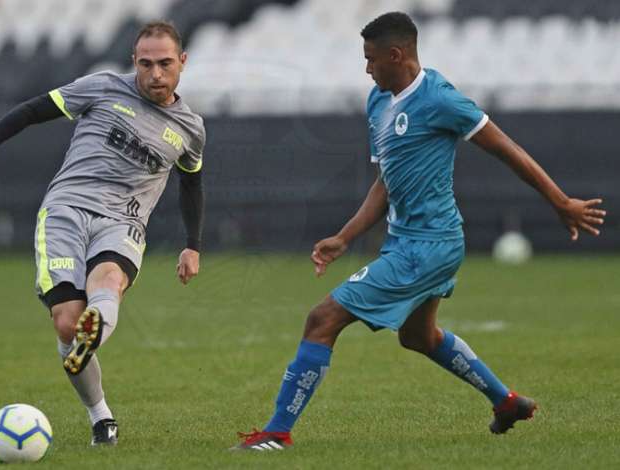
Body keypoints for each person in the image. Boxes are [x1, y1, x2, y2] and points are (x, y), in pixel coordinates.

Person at [233, 11, 606, 451]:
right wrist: (346, 236)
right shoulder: (378, 101)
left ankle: (276, 433)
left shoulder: (440, 100)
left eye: (371, 59)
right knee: (418, 336)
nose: (366, 68)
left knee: (322, 319)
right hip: (410, 242)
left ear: (397, 54)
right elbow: (385, 182)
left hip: (430, 245)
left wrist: (560, 201)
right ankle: (505, 402)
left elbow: (508, 150)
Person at [0, 21, 206, 446]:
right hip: (66, 209)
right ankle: (100, 412)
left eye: (164, 64)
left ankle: (96, 330)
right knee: (67, 323)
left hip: (123, 221)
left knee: (108, 281)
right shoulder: (103, 87)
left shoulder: (191, 128)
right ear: (133, 62)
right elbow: (32, 110)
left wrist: (192, 246)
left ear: (182, 62)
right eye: (145, 64)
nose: (155, 74)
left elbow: (192, 182)